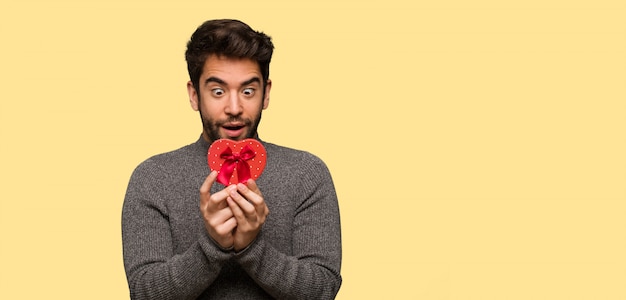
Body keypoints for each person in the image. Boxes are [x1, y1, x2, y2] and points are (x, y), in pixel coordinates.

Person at [121, 19, 342, 299]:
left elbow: (322, 290)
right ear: (194, 95)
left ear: (266, 93)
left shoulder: (307, 173)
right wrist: (212, 245)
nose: (234, 108)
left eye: (248, 91)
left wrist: (252, 247)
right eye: (218, 91)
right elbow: (144, 292)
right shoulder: (153, 178)